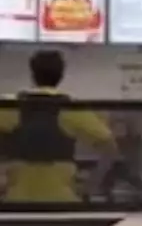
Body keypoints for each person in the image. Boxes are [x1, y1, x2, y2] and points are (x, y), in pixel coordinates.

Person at [0, 50, 118, 202]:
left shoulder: (11, 107)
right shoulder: (72, 109)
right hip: (62, 202)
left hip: (16, 203)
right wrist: (91, 185)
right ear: (61, 76)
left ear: (32, 74)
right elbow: (110, 148)